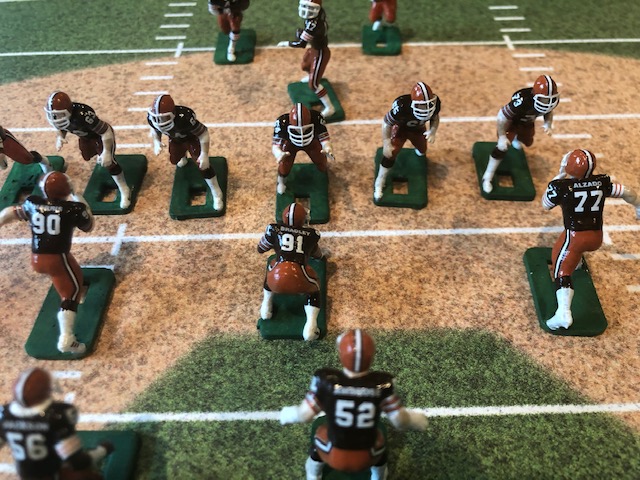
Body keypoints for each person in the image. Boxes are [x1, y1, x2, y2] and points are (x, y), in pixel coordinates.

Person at [280, 329, 428, 479]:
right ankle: (378, 477)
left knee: (319, 436)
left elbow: (304, 415)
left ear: (341, 354)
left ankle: (313, 474)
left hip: (334, 455)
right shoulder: (382, 384)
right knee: (380, 442)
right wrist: (414, 420)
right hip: (368, 456)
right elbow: (399, 421)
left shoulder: (326, 381)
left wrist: (288, 414)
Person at [542, 149, 640, 330]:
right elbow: (627, 191)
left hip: (576, 237)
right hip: (596, 236)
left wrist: (559, 176)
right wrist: (638, 206)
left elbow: (546, 204)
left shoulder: (561, 187)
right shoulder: (601, 183)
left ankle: (563, 313)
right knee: (560, 249)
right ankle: (577, 262)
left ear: (569, 166)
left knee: (561, 271)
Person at [0, 171, 94, 353]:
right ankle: (67, 339)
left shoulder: (33, 203)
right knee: (72, 293)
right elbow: (89, 226)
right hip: (56, 258)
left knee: (74, 273)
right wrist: (81, 201)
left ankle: (65, 290)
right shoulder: (72, 209)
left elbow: (10, 212)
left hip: (37, 258)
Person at [0, 367, 113, 480]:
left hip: (25, 474)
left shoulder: (4, 415)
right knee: (90, 476)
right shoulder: (56, 416)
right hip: (51, 474)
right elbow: (77, 462)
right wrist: (101, 451)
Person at [44, 91, 131, 209]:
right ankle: (100, 153)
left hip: (100, 136)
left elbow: (105, 131)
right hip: (85, 137)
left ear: (68, 111)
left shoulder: (82, 115)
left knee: (109, 163)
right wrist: (60, 137)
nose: (55, 119)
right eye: (53, 115)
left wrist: (106, 151)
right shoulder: (62, 118)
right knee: (87, 155)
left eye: (58, 115)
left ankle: (124, 189)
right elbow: (60, 126)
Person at [482, 75, 560, 193]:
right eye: (544, 99)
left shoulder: (549, 103)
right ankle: (487, 176)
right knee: (502, 148)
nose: (548, 103)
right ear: (534, 96)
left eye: (550, 99)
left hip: (527, 123)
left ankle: (516, 139)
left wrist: (547, 123)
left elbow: (548, 111)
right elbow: (502, 116)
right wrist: (502, 136)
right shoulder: (523, 101)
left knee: (528, 142)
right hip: (512, 123)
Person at [258, 202, 324, 341]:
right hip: (300, 279)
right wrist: (320, 256)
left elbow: (261, 248)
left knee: (272, 267)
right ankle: (311, 325)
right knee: (315, 288)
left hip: (276, 279)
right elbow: (317, 254)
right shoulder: (311, 234)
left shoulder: (274, 229)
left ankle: (266, 306)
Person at [148, 94, 224, 211]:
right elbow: (155, 129)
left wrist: (204, 154)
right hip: (175, 140)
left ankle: (217, 193)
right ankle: (183, 156)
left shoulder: (184, 118)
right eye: (157, 118)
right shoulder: (152, 119)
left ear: (173, 114)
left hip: (192, 140)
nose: (160, 121)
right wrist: (157, 141)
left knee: (203, 166)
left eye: (164, 118)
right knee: (175, 159)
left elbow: (203, 133)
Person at [374, 81, 441, 201]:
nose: (426, 109)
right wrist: (386, 142)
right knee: (390, 153)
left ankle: (419, 157)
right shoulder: (402, 106)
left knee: (422, 150)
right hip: (400, 130)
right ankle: (379, 181)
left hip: (418, 130)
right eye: (421, 106)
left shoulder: (435, 105)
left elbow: (435, 118)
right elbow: (387, 123)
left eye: (428, 105)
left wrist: (432, 131)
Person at [277, 0, 335, 118]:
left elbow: (301, 43)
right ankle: (313, 75)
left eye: (310, 8)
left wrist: (286, 43)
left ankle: (330, 108)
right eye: (305, 6)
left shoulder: (314, 25)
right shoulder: (316, 18)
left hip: (321, 53)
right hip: (314, 49)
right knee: (305, 66)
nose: (306, 11)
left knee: (313, 85)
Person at [272, 103, 334, 195]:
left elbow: (324, 139)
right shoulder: (282, 122)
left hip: (311, 142)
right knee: (284, 164)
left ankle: (322, 173)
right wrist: (279, 153)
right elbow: (275, 146)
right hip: (290, 144)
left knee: (321, 161)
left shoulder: (316, 118)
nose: (300, 131)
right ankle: (281, 181)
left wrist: (327, 147)